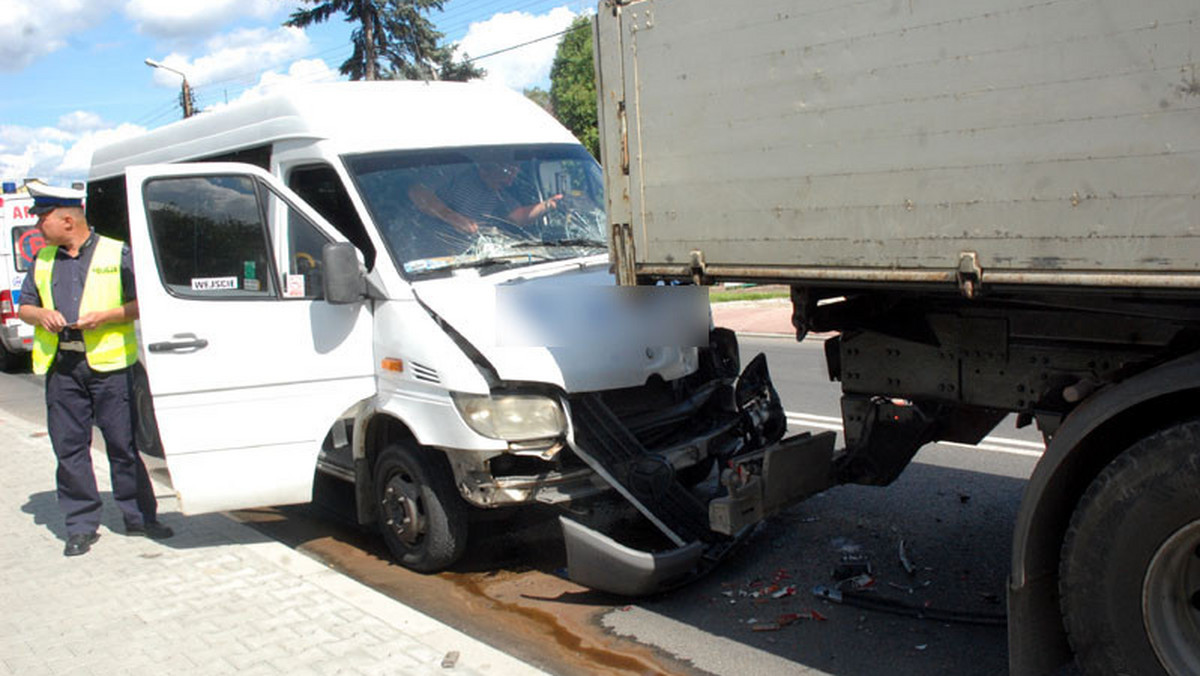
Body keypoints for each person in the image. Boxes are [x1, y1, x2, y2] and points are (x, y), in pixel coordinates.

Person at [17, 183, 173, 557]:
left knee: (123, 446)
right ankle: (81, 525)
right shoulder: (43, 260)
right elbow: (24, 306)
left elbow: (145, 303)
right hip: (64, 368)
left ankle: (139, 518)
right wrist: (42, 315)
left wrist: (107, 316)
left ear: (67, 220)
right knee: (69, 450)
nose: (38, 228)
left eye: (43, 220)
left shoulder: (117, 254)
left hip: (109, 367)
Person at [407, 161, 563, 236]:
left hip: (467, 259)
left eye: (513, 177)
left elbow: (517, 216)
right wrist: (451, 217)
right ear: (486, 169)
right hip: (428, 254)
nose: (509, 183)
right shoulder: (458, 175)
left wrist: (548, 205)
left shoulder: (498, 193)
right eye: (505, 175)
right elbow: (417, 192)